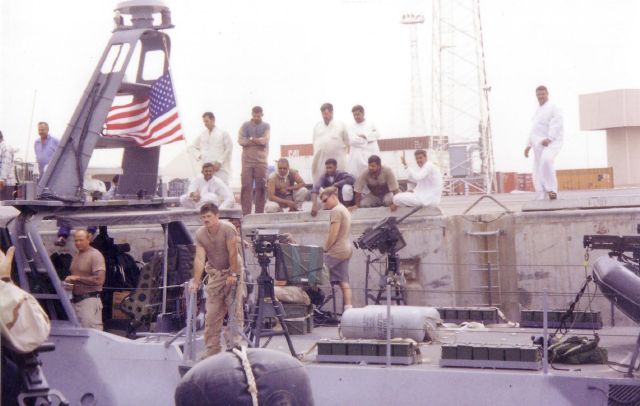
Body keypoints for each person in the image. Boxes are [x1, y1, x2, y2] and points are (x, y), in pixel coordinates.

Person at [190, 203, 241, 358]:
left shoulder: (228, 228)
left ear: (217, 216)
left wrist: (233, 273)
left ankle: (234, 345)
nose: (206, 219)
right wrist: (196, 282)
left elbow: (233, 252)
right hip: (215, 274)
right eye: (203, 217)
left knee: (234, 309)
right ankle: (212, 348)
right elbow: (200, 258)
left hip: (233, 270)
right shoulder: (200, 234)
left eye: (209, 216)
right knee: (212, 313)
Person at [524, 85, 563, 200]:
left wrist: (550, 138)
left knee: (546, 160)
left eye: (542, 94)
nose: (540, 96)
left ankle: (552, 190)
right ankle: (541, 192)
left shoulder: (553, 107)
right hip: (538, 143)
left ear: (547, 94)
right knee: (538, 167)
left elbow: (558, 123)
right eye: (538, 95)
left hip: (551, 142)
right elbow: (534, 129)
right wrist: (528, 145)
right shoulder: (537, 110)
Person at [64, 229, 106, 330]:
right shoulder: (76, 255)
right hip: (75, 301)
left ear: (89, 239)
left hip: (89, 301)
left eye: (81, 240)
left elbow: (100, 280)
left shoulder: (95, 255)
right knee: (78, 334)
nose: (78, 243)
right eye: (76, 240)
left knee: (91, 333)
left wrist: (77, 278)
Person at [320, 187, 352, 311]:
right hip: (346, 250)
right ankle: (348, 312)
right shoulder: (344, 209)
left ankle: (310, 309)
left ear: (333, 196)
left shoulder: (336, 210)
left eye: (325, 200)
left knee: (312, 276)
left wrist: (325, 248)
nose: (324, 204)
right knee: (344, 282)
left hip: (336, 251)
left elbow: (333, 234)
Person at [238, 106, 270, 215]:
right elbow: (240, 140)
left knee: (261, 187)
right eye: (254, 115)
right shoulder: (245, 125)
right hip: (247, 161)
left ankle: (259, 213)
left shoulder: (266, 126)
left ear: (262, 114)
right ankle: (246, 213)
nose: (256, 117)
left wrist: (250, 139)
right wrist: (257, 141)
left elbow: (264, 140)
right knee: (246, 186)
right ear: (252, 114)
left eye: (258, 115)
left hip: (261, 161)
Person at [189, 112, 233, 185]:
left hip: (220, 168)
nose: (205, 124)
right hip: (206, 169)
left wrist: (220, 162)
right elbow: (192, 147)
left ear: (213, 120)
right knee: (207, 189)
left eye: (207, 121)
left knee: (222, 188)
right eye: (204, 122)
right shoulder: (202, 135)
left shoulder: (223, 133)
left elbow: (229, 148)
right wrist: (200, 155)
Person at [311, 103, 349, 184]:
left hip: (338, 160)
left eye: (326, 113)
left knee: (340, 182)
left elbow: (348, 142)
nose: (324, 116)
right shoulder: (317, 126)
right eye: (322, 114)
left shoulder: (341, 125)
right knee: (320, 183)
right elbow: (314, 142)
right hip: (321, 161)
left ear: (332, 112)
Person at [347, 105, 380, 177]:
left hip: (371, 154)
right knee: (357, 176)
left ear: (363, 113)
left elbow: (377, 134)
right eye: (354, 115)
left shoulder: (370, 123)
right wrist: (368, 140)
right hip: (357, 157)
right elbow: (352, 140)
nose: (356, 117)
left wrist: (365, 135)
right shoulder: (351, 127)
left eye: (358, 114)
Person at [0, 131, 16, 200]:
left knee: (5, 204)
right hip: (3, 182)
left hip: (6, 184)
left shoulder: (5, 148)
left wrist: (1, 179)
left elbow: (5, 164)